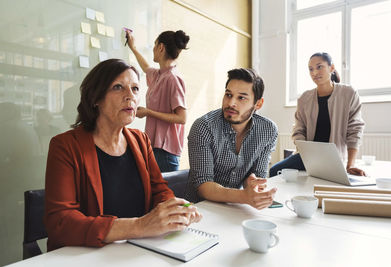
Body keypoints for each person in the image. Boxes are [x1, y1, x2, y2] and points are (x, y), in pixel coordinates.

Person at [44, 59, 201, 251]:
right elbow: (61, 222)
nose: (130, 97)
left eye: (135, 88)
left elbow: (158, 191)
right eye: (118, 87)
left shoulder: (140, 140)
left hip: (135, 250)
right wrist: (139, 226)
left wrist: (174, 209)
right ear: (95, 98)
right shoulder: (65, 146)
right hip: (87, 254)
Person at [184, 68, 278, 209]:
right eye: (228, 95)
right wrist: (244, 196)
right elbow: (203, 185)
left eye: (241, 98)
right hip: (200, 208)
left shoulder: (268, 130)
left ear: (258, 104)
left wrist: (253, 186)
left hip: (236, 208)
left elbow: (257, 176)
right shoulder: (204, 127)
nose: (231, 103)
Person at [269, 52, 365, 177]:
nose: (314, 73)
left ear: (331, 68)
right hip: (307, 157)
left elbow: (355, 130)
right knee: (274, 171)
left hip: (335, 159)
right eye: (311, 69)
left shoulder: (349, 93)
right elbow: (298, 130)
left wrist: (350, 165)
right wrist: (307, 155)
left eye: (319, 67)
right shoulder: (304, 98)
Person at [126, 30, 189, 172]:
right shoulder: (159, 74)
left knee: (162, 193)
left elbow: (181, 118)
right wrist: (133, 48)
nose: (153, 49)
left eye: (154, 45)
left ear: (161, 47)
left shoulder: (173, 78)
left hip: (165, 152)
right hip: (155, 147)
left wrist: (148, 112)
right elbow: (146, 67)